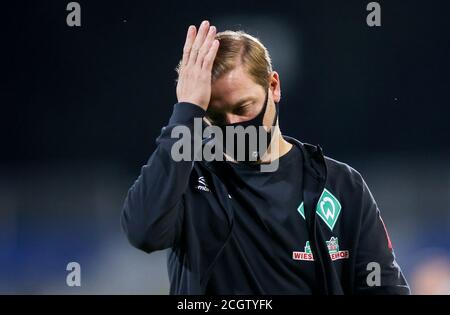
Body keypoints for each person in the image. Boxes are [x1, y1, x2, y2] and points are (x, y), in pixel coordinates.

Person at [121, 20, 410, 294]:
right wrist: (185, 111)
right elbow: (143, 232)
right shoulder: (189, 179)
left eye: (243, 107)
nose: (234, 125)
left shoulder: (340, 185)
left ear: (274, 87)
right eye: (217, 115)